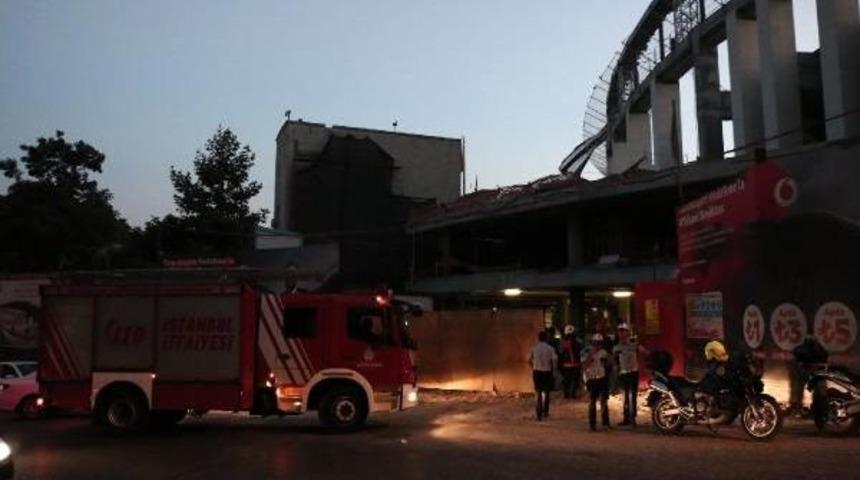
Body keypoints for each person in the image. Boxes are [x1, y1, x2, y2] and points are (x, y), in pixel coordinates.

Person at [613, 323, 648, 426]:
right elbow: (614, 359)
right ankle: (626, 418)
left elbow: (644, 351)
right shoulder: (617, 347)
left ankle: (633, 418)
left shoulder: (634, 344)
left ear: (628, 333)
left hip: (633, 372)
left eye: (624, 331)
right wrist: (616, 367)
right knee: (625, 397)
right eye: (620, 331)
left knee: (632, 396)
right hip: (623, 373)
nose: (622, 333)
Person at [582, 333, 614, 431]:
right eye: (596, 343)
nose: (598, 345)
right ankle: (592, 425)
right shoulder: (587, 352)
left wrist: (608, 361)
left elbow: (610, 362)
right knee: (592, 402)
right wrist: (591, 356)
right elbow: (584, 366)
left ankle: (605, 423)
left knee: (604, 401)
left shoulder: (604, 352)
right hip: (592, 379)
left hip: (602, 378)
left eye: (599, 343)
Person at [529, 330, 558, 421]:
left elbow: (528, 360)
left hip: (537, 371)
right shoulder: (550, 348)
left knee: (538, 392)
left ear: (538, 338)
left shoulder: (534, 348)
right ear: (546, 338)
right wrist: (554, 370)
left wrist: (533, 367)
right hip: (547, 371)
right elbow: (554, 360)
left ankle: (538, 414)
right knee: (546, 392)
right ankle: (545, 412)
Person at [559, 325, 582, 398]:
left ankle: (567, 393)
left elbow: (560, 352)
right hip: (575, 364)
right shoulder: (578, 342)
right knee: (574, 380)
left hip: (567, 364)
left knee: (567, 380)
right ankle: (572, 394)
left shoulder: (563, 343)